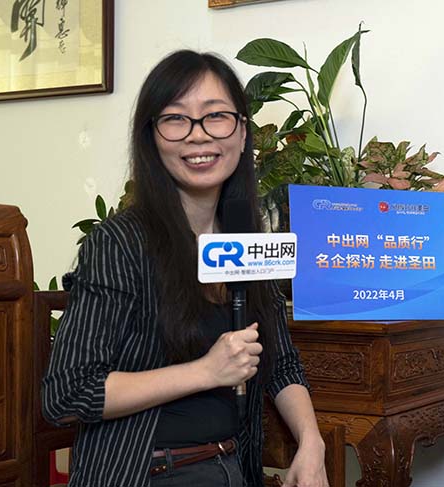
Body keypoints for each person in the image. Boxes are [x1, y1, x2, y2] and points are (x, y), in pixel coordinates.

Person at [42, 50, 328, 487]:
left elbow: (281, 361)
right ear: (152, 137)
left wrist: (311, 442)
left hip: (231, 468)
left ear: (242, 132)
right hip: (145, 472)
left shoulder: (245, 237)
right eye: (176, 119)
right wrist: (205, 371)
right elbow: (68, 393)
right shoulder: (119, 243)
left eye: (216, 116)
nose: (198, 135)